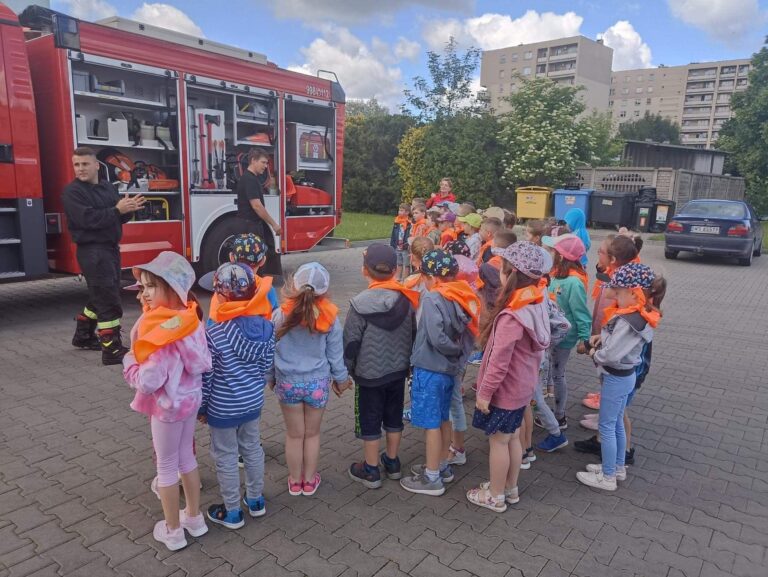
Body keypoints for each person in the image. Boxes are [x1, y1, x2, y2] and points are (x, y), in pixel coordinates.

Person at [123, 252, 212, 551]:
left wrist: (130, 365)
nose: (144, 292)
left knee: (166, 465)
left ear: (172, 289)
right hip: (190, 402)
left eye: (151, 286)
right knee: (187, 457)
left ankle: (173, 531)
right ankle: (194, 518)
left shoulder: (161, 331)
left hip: (167, 407)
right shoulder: (191, 318)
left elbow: (150, 381)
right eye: (142, 287)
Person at [466, 241, 551, 512]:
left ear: (510, 272)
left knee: (499, 442)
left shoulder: (513, 316)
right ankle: (509, 488)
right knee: (513, 437)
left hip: (505, 391)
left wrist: (484, 392)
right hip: (523, 387)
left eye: (501, 268)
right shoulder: (536, 301)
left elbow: (497, 362)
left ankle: (495, 494)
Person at [197, 262, 274, 528]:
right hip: (252, 403)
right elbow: (266, 367)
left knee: (227, 457)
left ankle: (232, 511)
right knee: (253, 449)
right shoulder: (267, 329)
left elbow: (207, 377)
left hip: (222, 408)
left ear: (220, 296)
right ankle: (255, 500)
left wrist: (202, 408)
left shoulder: (214, 334)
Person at [400, 249, 479, 497]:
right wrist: (458, 353)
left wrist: (451, 349)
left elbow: (436, 337)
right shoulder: (463, 295)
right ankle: (442, 464)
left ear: (431, 278)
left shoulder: (433, 299)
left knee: (431, 424)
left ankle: (432, 477)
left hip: (430, 367)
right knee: (444, 418)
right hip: (449, 370)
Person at [577, 263, 662, 491]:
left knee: (606, 426)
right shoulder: (637, 315)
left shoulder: (628, 321)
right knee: (616, 425)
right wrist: (602, 338)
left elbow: (612, 354)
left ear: (634, 292)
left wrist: (595, 351)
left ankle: (607, 477)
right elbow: (618, 343)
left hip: (616, 376)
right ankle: (617, 466)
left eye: (618, 291)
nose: (614, 295)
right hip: (626, 375)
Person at [271, 263, 352, 496]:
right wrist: (341, 379)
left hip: (287, 383)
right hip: (317, 384)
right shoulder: (330, 318)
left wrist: (270, 377)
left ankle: (295, 481)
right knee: (312, 434)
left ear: (294, 285)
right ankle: (309, 480)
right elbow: (336, 355)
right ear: (324, 291)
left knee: (294, 435)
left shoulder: (280, 314)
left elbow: (269, 350)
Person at [344, 244, 418, 489]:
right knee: (394, 416)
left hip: (369, 375)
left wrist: (347, 370)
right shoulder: (406, 301)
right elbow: (413, 335)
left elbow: (351, 342)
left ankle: (371, 468)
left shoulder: (359, 304)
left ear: (365, 271)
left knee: (370, 419)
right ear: (396, 270)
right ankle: (393, 462)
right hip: (397, 371)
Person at [63, 146, 145, 365]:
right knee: (107, 298)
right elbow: (87, 220)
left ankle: (83, 335)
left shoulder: (108, 188)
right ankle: (111, 349)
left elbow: (115, 217)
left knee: (101, 293)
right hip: (92, 250)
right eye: (76, 165)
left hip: (109, 249)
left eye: (84, 164)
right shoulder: (73, 192)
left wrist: (129, 209)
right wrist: (118, 210)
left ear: (96, 166)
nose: (80, 169)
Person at [541, 234, 591, 431]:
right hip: (547, 334)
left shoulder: (574, 283)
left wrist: (584, 340)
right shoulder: (553, 275)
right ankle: (546, 409)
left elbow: (582, 314)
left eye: (553, 251)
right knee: (549, 371)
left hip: (563, 338)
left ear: (562, 256)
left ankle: (560, 416)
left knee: (558, 374)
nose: (550, 253)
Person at [235, 149, 282, 277]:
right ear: (253, 161)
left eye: (267, 163)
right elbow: (257, 206)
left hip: (248, 225)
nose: (266, 166)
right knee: (254, 263)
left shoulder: (248, 178)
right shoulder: (250, 180)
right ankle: (256, 289)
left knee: (249, 263)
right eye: (263, 162)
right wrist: (274, 224)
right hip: (250, 227)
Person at [227, 233, 279, 313]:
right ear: (263, 261)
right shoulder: (268, 289)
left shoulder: (223, 288)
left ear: (231, 258)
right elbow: (275, 317)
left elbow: (213, 319)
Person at [390, 203, 413, 282]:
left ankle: (405, 279)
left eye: (402, 210)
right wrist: (392, 244)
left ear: (407, 212)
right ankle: (397, 278)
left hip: (405, 246)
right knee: (399, 263)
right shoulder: (397, 222)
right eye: (399, 210)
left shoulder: (409, 223)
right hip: (397, 246)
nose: (399, 212)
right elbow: (393, 234)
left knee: (406, 264)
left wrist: (408, 244)